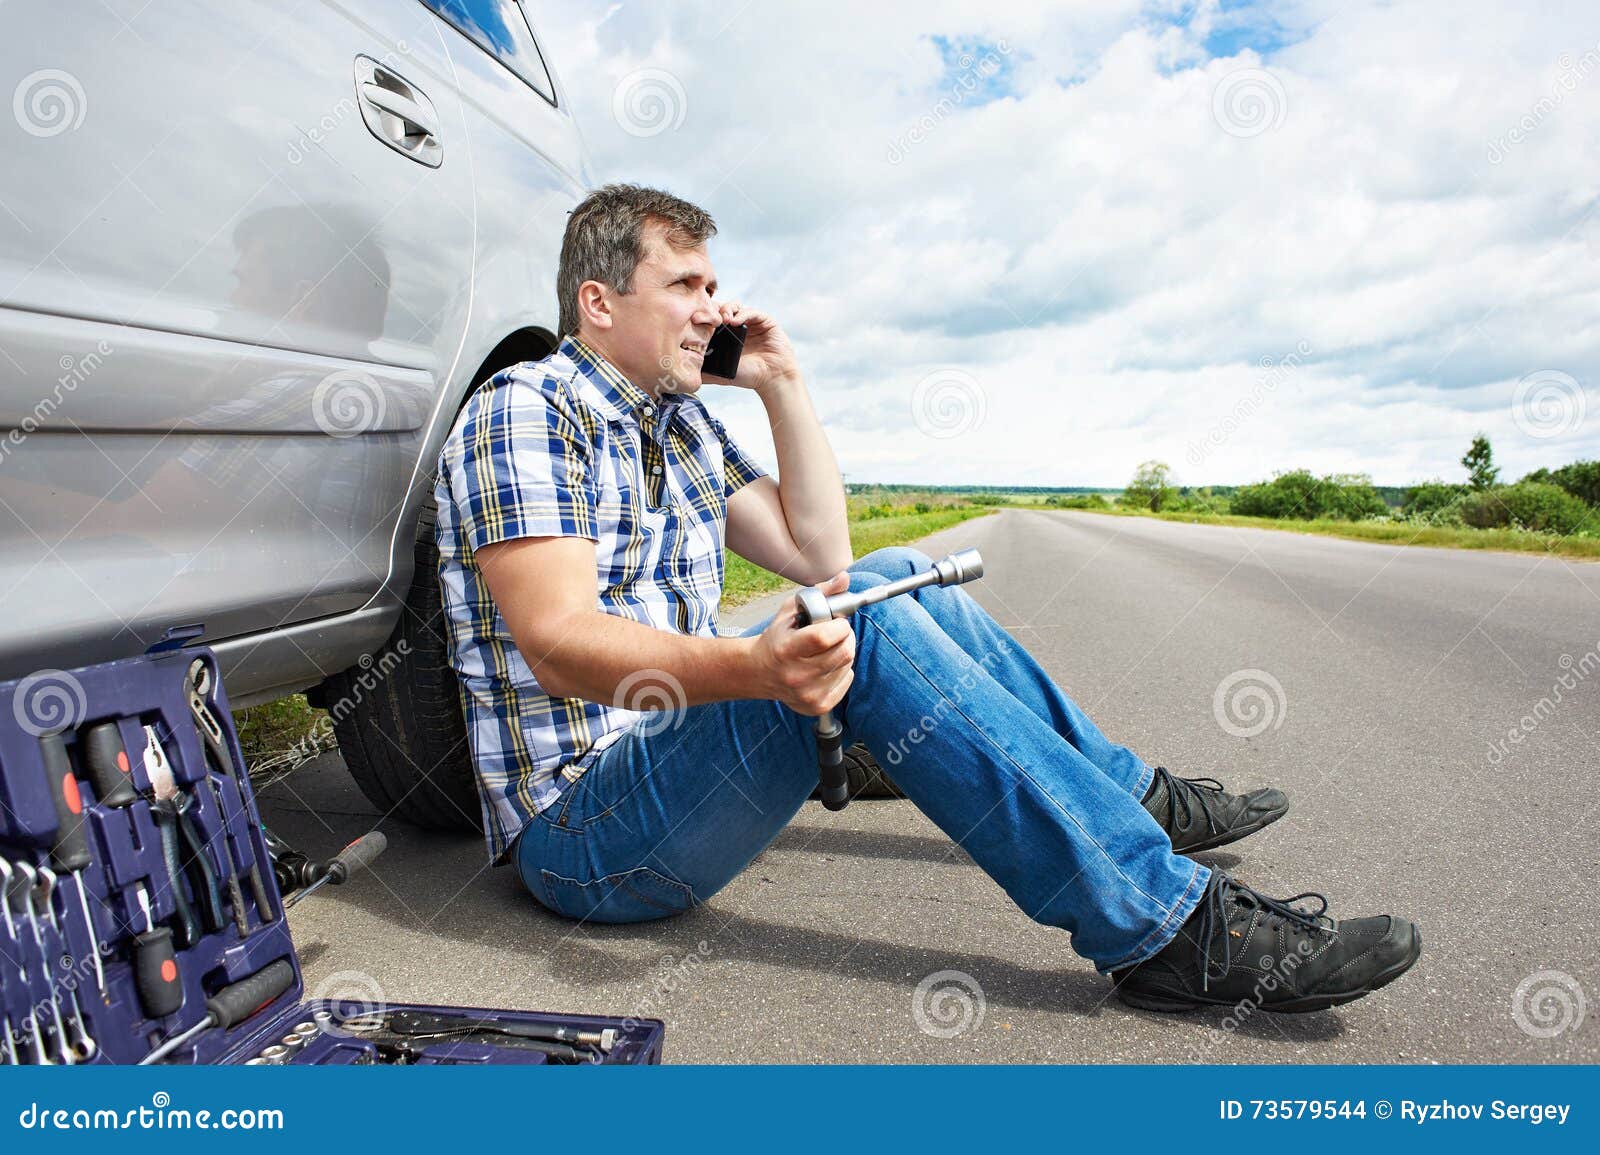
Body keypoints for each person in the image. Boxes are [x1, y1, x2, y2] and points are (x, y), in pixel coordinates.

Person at [433, 183, 1422, 1015]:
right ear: (598, 304)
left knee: (880, 582)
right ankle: (1167, 930)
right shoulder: (530, 407)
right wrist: (754, 669)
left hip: (667, 760)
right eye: (685, 286)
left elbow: (820, 553)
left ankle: (1134, 802)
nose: (711, 310)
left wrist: (782, 383)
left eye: (714, 288)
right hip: (585, 835)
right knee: (857, 615)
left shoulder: (677, 428)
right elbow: (557, 641)